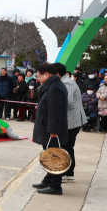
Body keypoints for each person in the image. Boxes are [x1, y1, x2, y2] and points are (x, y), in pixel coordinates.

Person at [32, 63, 68, 196]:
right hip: (46, 127)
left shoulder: (55, 88)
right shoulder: (51, 85)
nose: (38, 79)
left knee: (54, 157)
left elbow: (55, 111)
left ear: (46, 74)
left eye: (39, 76)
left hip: (51, 131)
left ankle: (55, 186)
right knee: (48, 155)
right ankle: (48, 180)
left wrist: (53, 131)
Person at [56, 63, 86, 184]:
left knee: (64, 147)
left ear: (57, 74)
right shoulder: (66, 81)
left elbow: (67, 102)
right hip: (72, 120)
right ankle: (69, 174)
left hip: (72, 120)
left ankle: (64, 173)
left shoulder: (66, 82)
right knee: (68, 147)